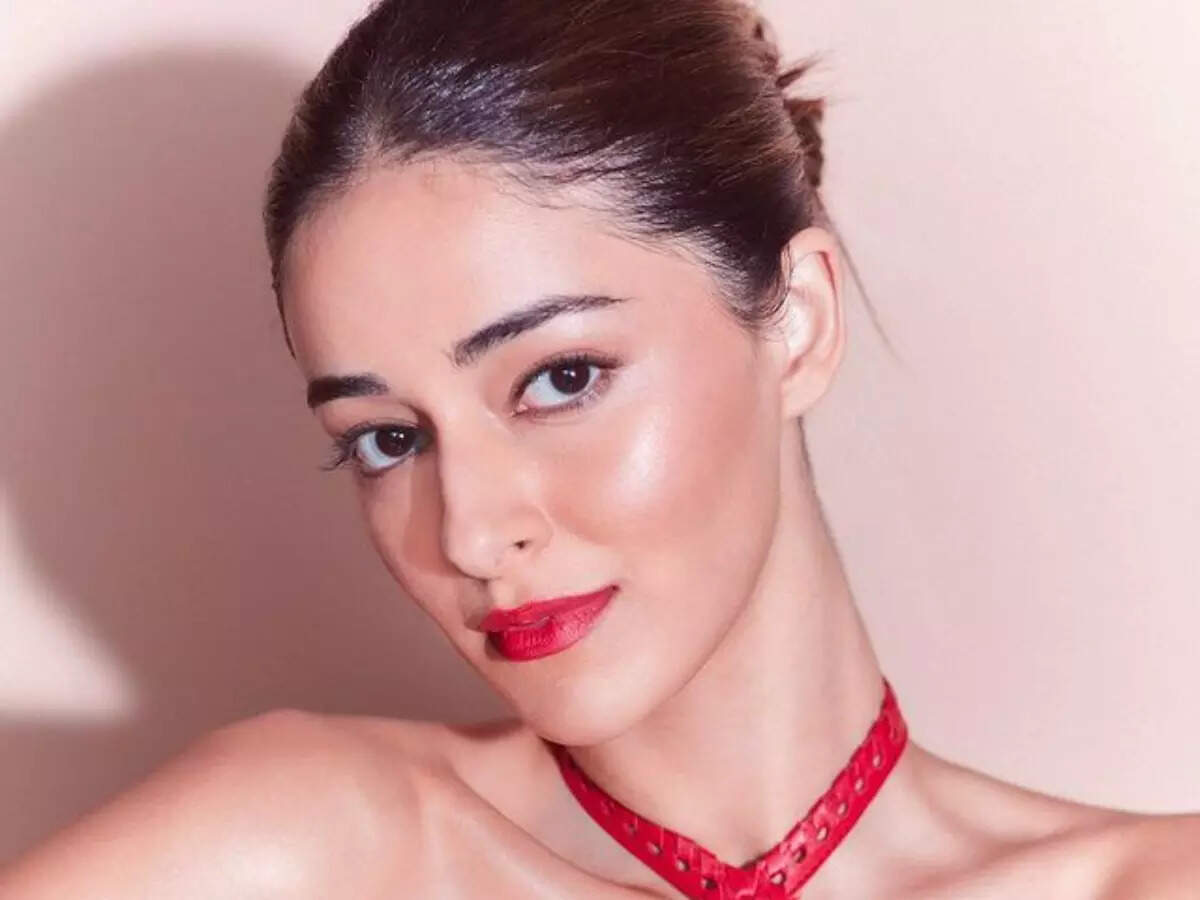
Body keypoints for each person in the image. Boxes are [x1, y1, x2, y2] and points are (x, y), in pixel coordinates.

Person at [2, 1, 1197, 897]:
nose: (474, 532)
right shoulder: (309, 852)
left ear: (797, 322)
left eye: (560, 379)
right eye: (388, 439)